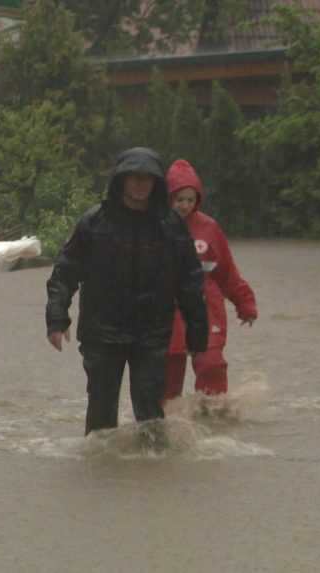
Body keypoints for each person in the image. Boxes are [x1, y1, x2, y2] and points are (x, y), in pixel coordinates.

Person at [45, 147, 208, 436]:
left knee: (151, 416)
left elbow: (190, 282)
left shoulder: (171, 227)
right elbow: (65, 271)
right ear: (120, 180)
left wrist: (198, 334)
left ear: (157, 183)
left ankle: (153, 472)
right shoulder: (94, 223)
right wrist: (57, 319)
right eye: (133, 178)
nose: (140, 185)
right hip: (102, 331)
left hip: (152, 332)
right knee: (100, 414)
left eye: (147, 179)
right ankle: (100, 471)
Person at [164, 159, 257, 402]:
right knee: (167, 374)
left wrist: (244, 303)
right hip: (167, 310)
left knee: (211, 364)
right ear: (168, 197)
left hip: (207, 308)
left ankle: (213, 415)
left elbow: (226, 272)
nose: (184, 205)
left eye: (190, 200)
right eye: (179, 199)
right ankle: (163, 422)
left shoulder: (209, 228)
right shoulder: (156, 226)